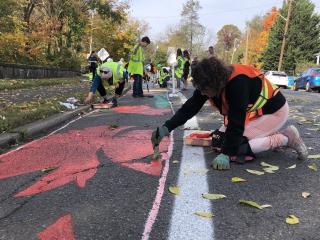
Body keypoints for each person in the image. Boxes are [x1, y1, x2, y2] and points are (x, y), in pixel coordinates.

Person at [151, 57, 308, 170]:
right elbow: (190, 107)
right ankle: (266, 133)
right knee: (219, 141)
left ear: (215, 83)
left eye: (204, 89)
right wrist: (166, 128)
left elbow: (236, 122)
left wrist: (226, 154)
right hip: (256, 114)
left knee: (239, 147)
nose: (202, 93)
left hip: (275, 112)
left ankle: (287, 138)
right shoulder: (210, 82)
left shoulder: (238, 83)